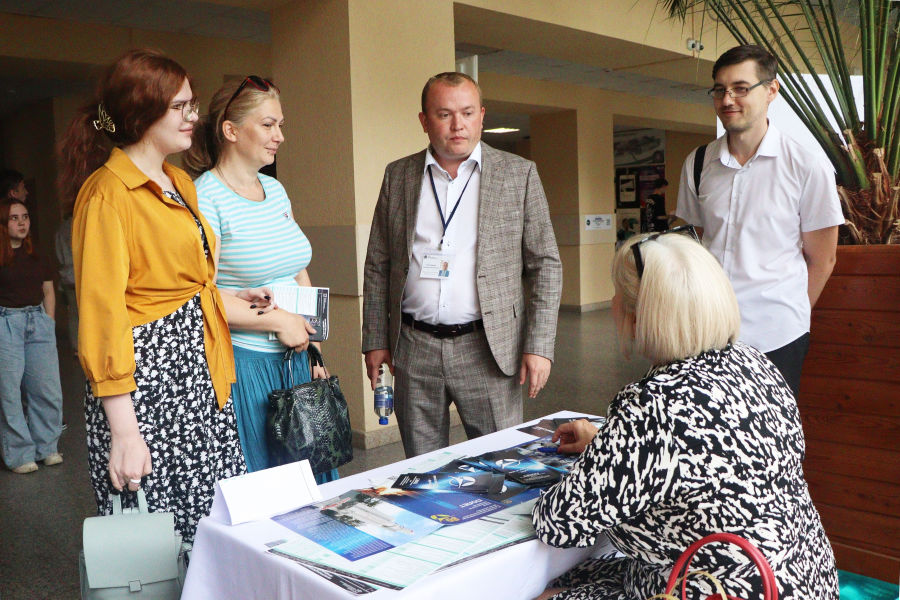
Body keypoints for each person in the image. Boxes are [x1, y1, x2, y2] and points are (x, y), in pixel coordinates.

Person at [531, 229, 838, 600]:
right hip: (801, 575)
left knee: (546, 593)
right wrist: (604, 444)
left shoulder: (653, 403)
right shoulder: (755, 362)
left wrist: (601, 459)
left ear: (634, 314)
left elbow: (559, 522)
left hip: (718, 587)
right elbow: (707, 456)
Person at [58, 49, 246, 543]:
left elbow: (183, 277)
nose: (194, 117)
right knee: (160, 547)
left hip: (198, 377)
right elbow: (102, 317)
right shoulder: (107, 194)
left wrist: (231, 296)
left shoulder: (180, 180)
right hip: (148, 390)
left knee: (215, 535)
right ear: (144, 114)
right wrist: (124, 432)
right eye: (181, 107)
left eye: (194, 104)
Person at [362, 72, 562, 458]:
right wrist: (375, 339)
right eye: (444, 114)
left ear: (482, 116)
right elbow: (378, 263)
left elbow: (546, 265)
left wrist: (539, 345)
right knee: (422, 470)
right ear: (424, 120)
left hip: (487, 349)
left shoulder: (518, 175)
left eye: (468, 113)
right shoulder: (398, 175)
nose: (458, 125)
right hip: (414, 348)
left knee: (504, 466)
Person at [185, 76, 336, 481]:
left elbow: (295, 267)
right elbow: (203, 296)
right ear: (230, 130)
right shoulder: (206, 197)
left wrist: (313, 344)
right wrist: (278, 321)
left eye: (280, 125)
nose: (279, 136)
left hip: (296, 360)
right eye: (268, 125)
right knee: (269, 488)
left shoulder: (275, 189)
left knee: (310, 484)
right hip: (248, 367)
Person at [675, 44, 844, 398]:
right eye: (719, 90)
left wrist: (791, 314)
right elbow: (698, 240)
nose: (727, 100)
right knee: (709, 435)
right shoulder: (697, 163)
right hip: (707, 333)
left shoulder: (805, 166)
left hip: (777, 335)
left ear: (771, 90)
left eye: (740, 88)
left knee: (769, 440)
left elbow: (823, 258)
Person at [0, 197, 64, 474]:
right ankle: (20, 454)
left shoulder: (38, 253)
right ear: (3, 224)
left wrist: (48, 323)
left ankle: (47, 447)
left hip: (38, 322)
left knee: (47, 389)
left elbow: (48, 289)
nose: (22, 222)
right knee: (10, 393)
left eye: (25, 216)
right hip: (6, 323)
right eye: (14, 218)